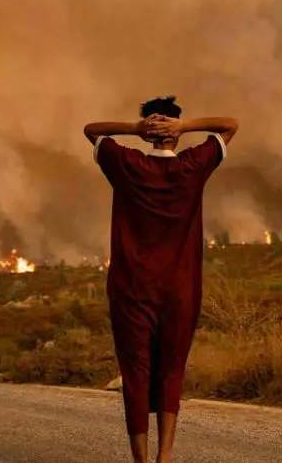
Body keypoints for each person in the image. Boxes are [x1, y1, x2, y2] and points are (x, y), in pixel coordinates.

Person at [84, 96, 238, 463]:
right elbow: (230, 124)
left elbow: (91, 131)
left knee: (135, 371)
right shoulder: (193, 166)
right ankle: (165, 456)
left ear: (150, 133)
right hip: (180, 289)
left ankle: (140, 461)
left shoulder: (126, 164)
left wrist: (135, 130)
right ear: (175, 132)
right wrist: (185, 127)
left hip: (131, 289)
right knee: (172, 368)